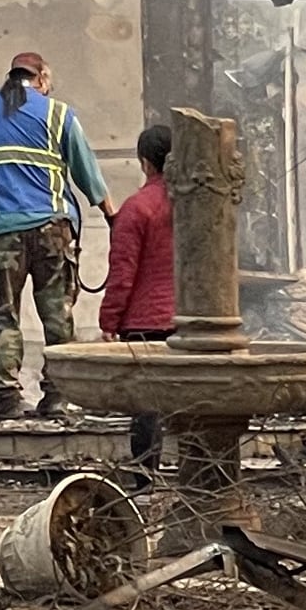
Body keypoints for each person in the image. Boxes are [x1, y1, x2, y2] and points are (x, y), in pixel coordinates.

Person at [0, 51, 113, 419]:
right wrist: (112, 215)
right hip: (52, 230)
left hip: (3, 232)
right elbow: (86, 170)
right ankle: (58, 396)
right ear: (42, 78)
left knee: (2, 314)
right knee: (57, 315)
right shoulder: (59, 113)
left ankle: (2, 395)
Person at [94, 123, 177, 466]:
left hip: (145, 324)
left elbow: (123, 273)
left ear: (145, 162)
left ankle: (145, 480)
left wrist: (109, 320)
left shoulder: (136, 208)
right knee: (195, 404)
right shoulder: (195, 205)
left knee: (146, 408)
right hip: (190, 323)